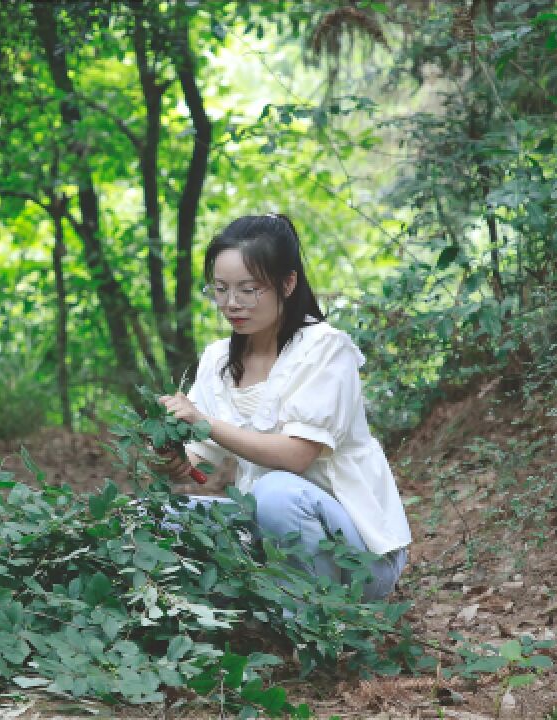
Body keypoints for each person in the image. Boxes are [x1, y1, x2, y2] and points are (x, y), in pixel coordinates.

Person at [157, 213, 411, 600]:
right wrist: (169, 453)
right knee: (154, 516)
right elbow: (196, 462)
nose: (232, 303)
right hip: (271, 536)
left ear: (288, 283)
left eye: (249, 289)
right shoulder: (217, 359)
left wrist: (203, 422)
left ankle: (317, 621)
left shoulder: (325, 349)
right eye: (221, 289)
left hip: (359, 557)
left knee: (276, 493)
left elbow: (296, 456)